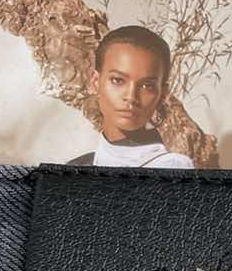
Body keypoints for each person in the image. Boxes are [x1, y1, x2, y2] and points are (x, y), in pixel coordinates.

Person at [68, 25, 195, 168]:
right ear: (95, 82)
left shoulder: (171, 166)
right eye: (118, 80)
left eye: (147, 86)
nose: (131, 97)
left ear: (162, 94)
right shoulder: (77, 166)